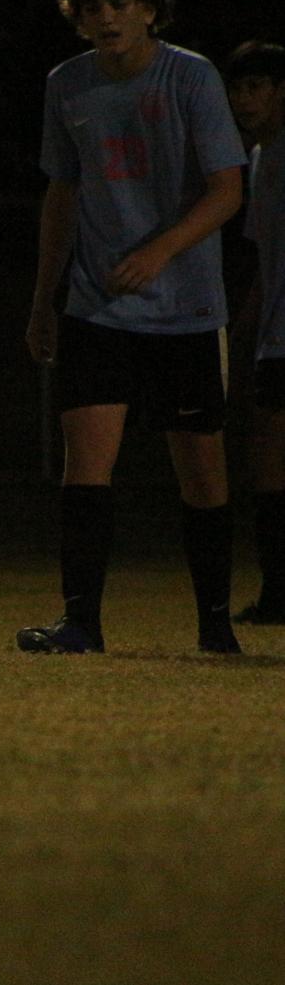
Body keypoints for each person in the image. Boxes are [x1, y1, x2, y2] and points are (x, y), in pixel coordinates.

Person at [19, 0, 248, 654]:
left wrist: (159, 251)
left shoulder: (190, 75)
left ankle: (214, 625)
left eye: (120, 0)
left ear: (149, 9)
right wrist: (43, 299)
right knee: (84, 463)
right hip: (96, 304)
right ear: (76, 17)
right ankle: (81, 623)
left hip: (185, 308)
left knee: (201, 470)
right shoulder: (66, 83)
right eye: (90, 5)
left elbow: (226, 190)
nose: (105, 15)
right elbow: (61, 192)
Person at [225, 41, 285, 624]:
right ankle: (278, 590)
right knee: (267, 462)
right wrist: (243, 338)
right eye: (237, 89)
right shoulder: (262, 159)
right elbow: (265, 265)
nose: (244, 100)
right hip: (275, 339)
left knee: (271, 459)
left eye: (256, 87)